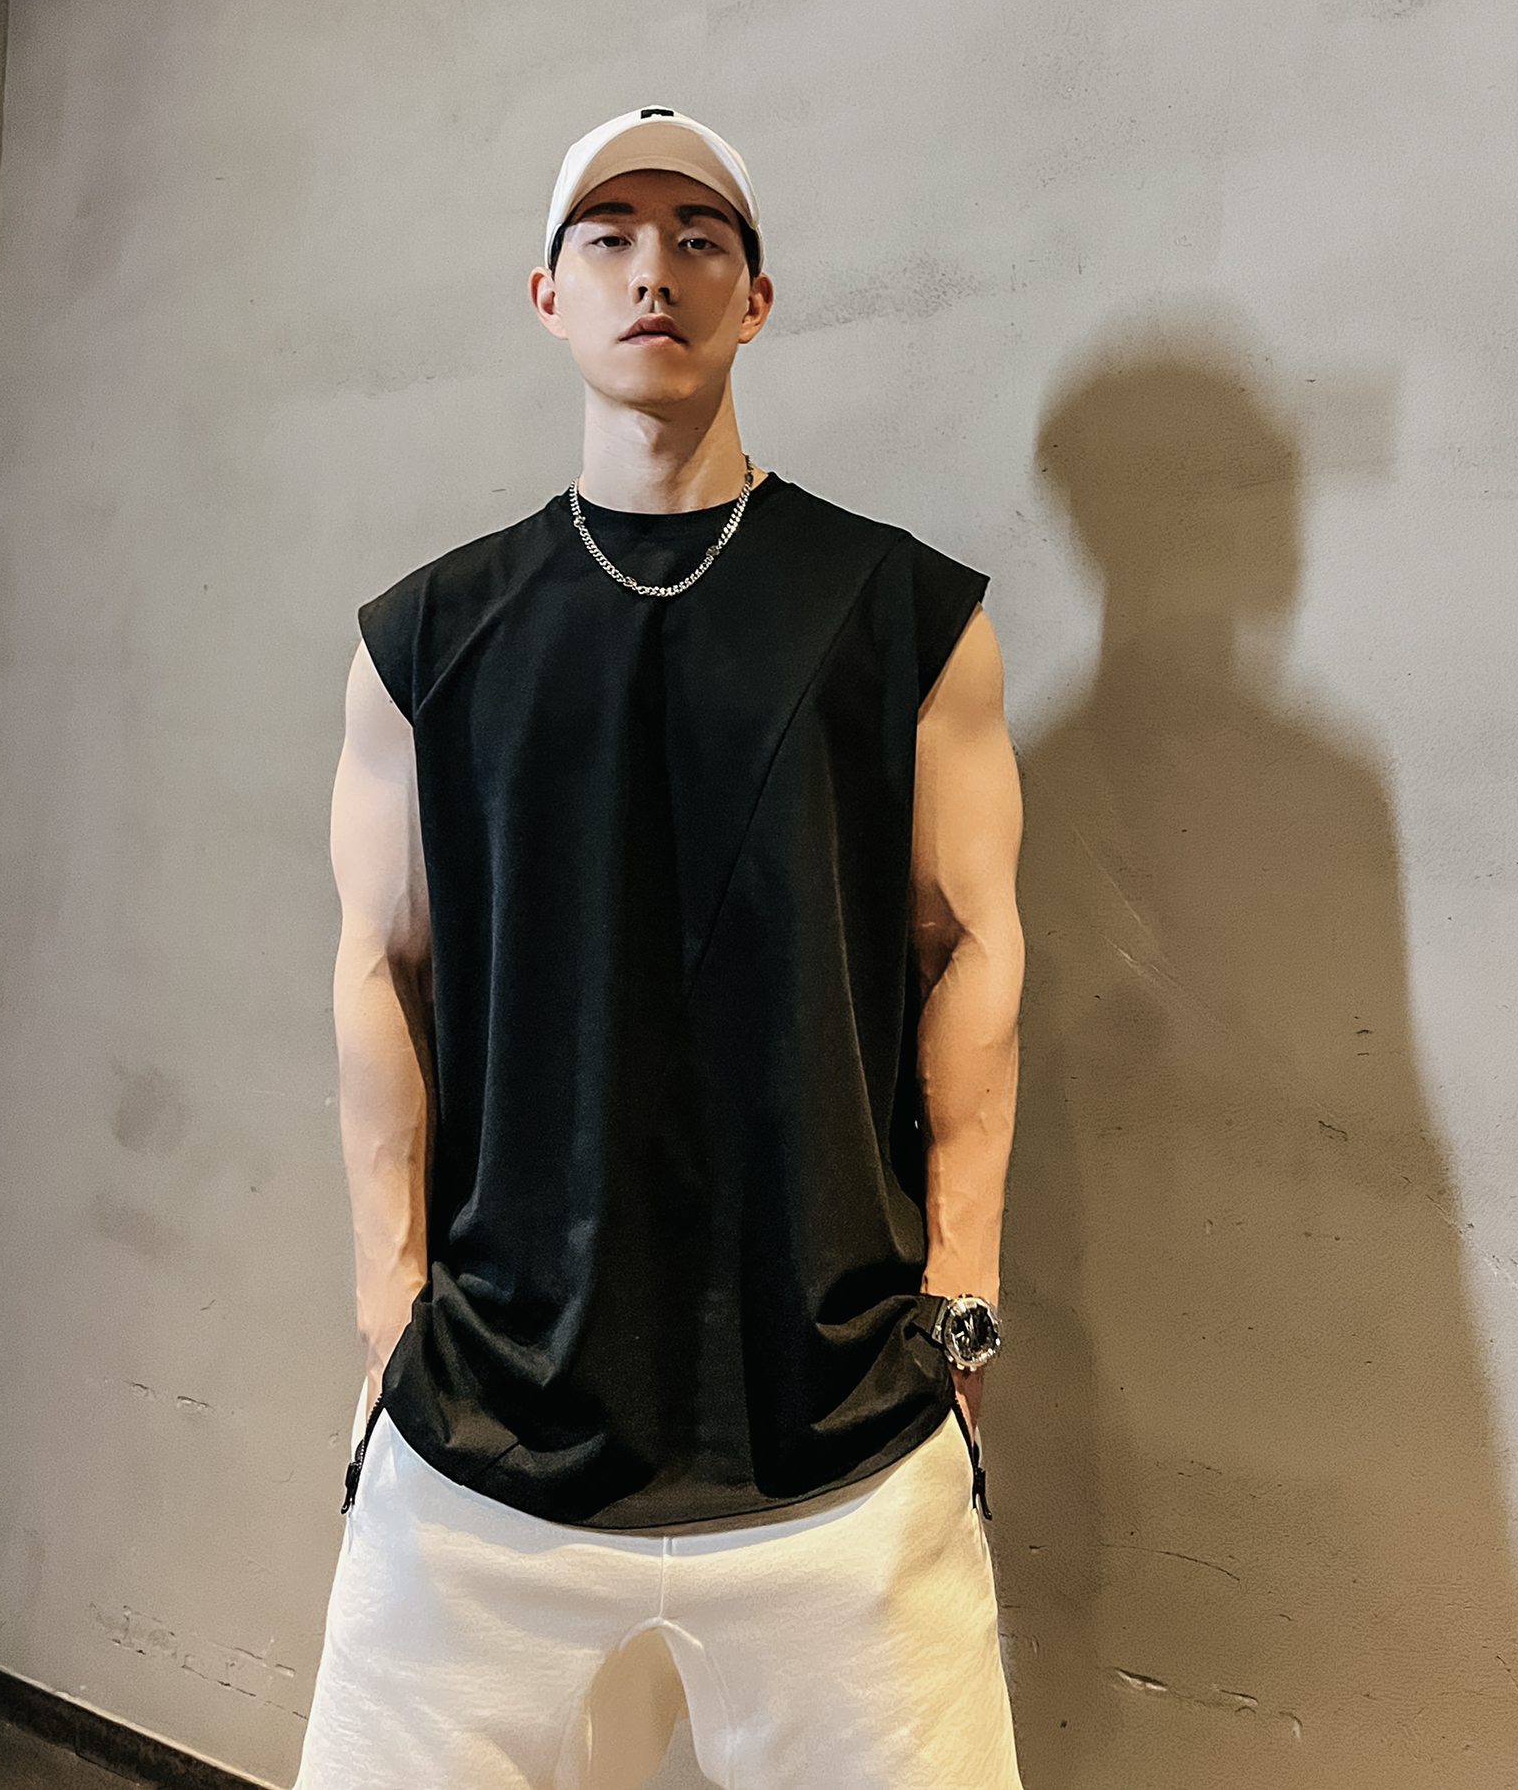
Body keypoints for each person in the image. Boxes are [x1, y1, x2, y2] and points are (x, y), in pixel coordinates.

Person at [297, 110, 1026, 1790]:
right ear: (546, 295)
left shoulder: (905, 616)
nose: (654, 272)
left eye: (698, 238)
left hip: (838, 1429)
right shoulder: (424, 639)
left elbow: (973, 947)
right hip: (485, 1431)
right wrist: (387, 1310)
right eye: (609, 236)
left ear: (754, 301)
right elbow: (378, 969)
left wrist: (961, 1305)